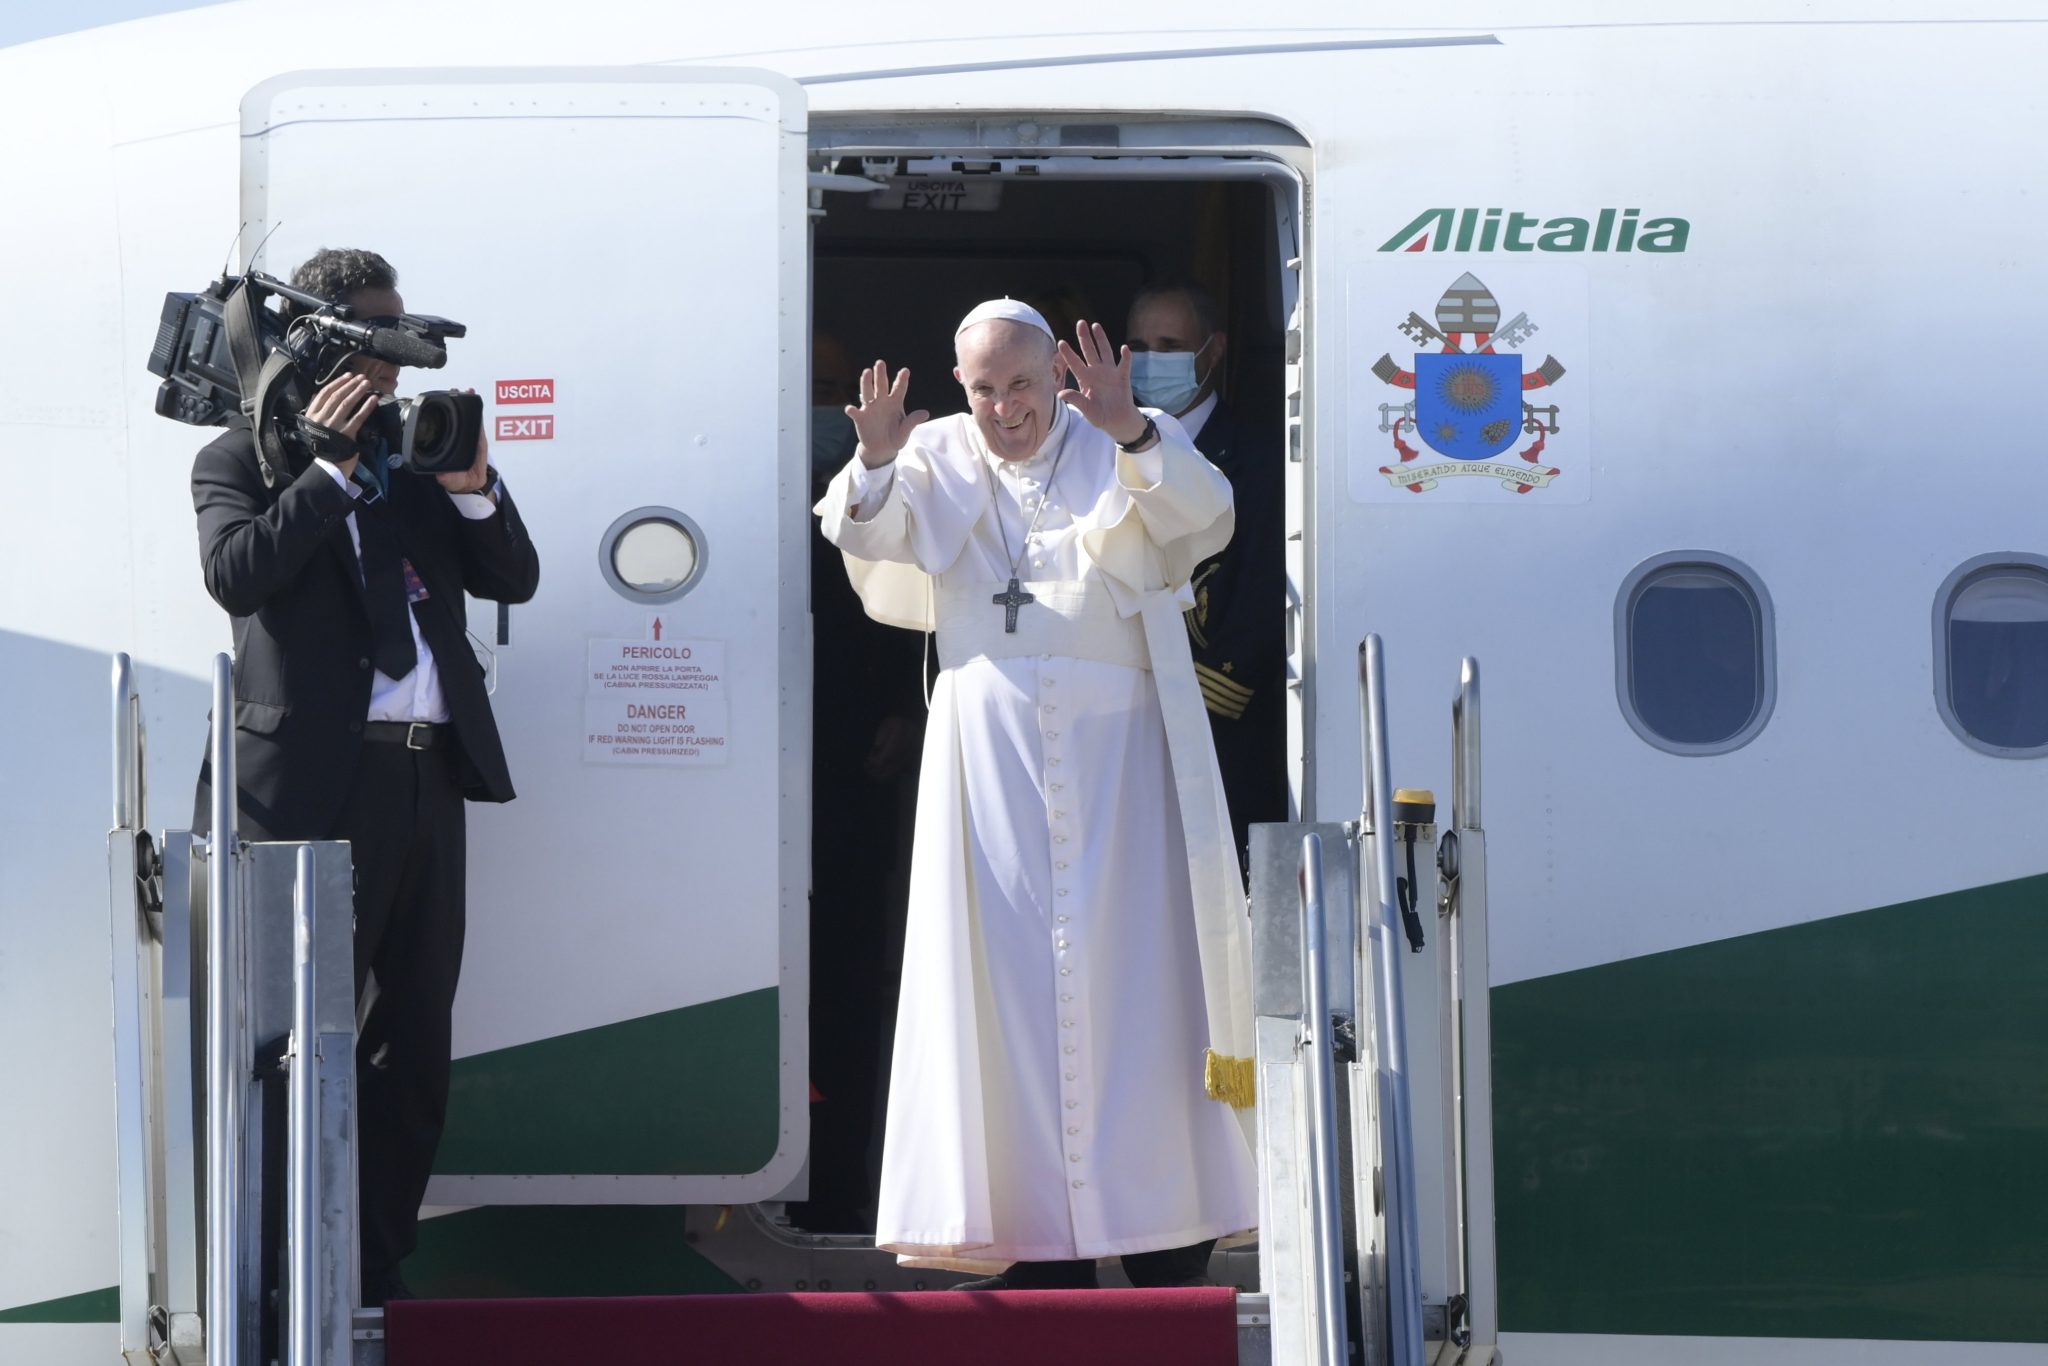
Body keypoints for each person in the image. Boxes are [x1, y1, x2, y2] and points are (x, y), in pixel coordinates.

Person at [815, 299, 1257, 1290]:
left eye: (1021, 384)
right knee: (1000, 990)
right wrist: (877, 459)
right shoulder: (933, 455)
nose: (1005, 408)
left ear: (1056, 374)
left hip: (1122, 769)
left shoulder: (1122, 436)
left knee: (1137, 990)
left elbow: (1205, 516)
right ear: (960, 387)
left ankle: (1163, 1226)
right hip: (987, 769)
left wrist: (1130, 433)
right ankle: (1027, 1238)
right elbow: (866, 540)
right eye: (984, 390)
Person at [190, 247, 541, 1306]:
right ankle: (276, 1279)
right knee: (292, 1041)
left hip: (426, 784)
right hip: (309, 793)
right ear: (319, 341)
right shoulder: (240, 458)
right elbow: (237, 574)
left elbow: (514, 575)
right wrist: (328, 473)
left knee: (411, 1042)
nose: (393, 359)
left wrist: (472, 488)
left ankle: (372, 1274)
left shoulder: (417, 454)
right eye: (374, 334)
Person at [1126, 282, 1288, 868]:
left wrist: (1202, 691)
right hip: (1120, 720)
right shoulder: (1097, 451)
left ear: (1213, 350)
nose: (1151, 360)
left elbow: (1265, 589)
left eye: (1170, 345)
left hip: (1216, 724)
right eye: (1139, 345)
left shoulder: (1262, 459)